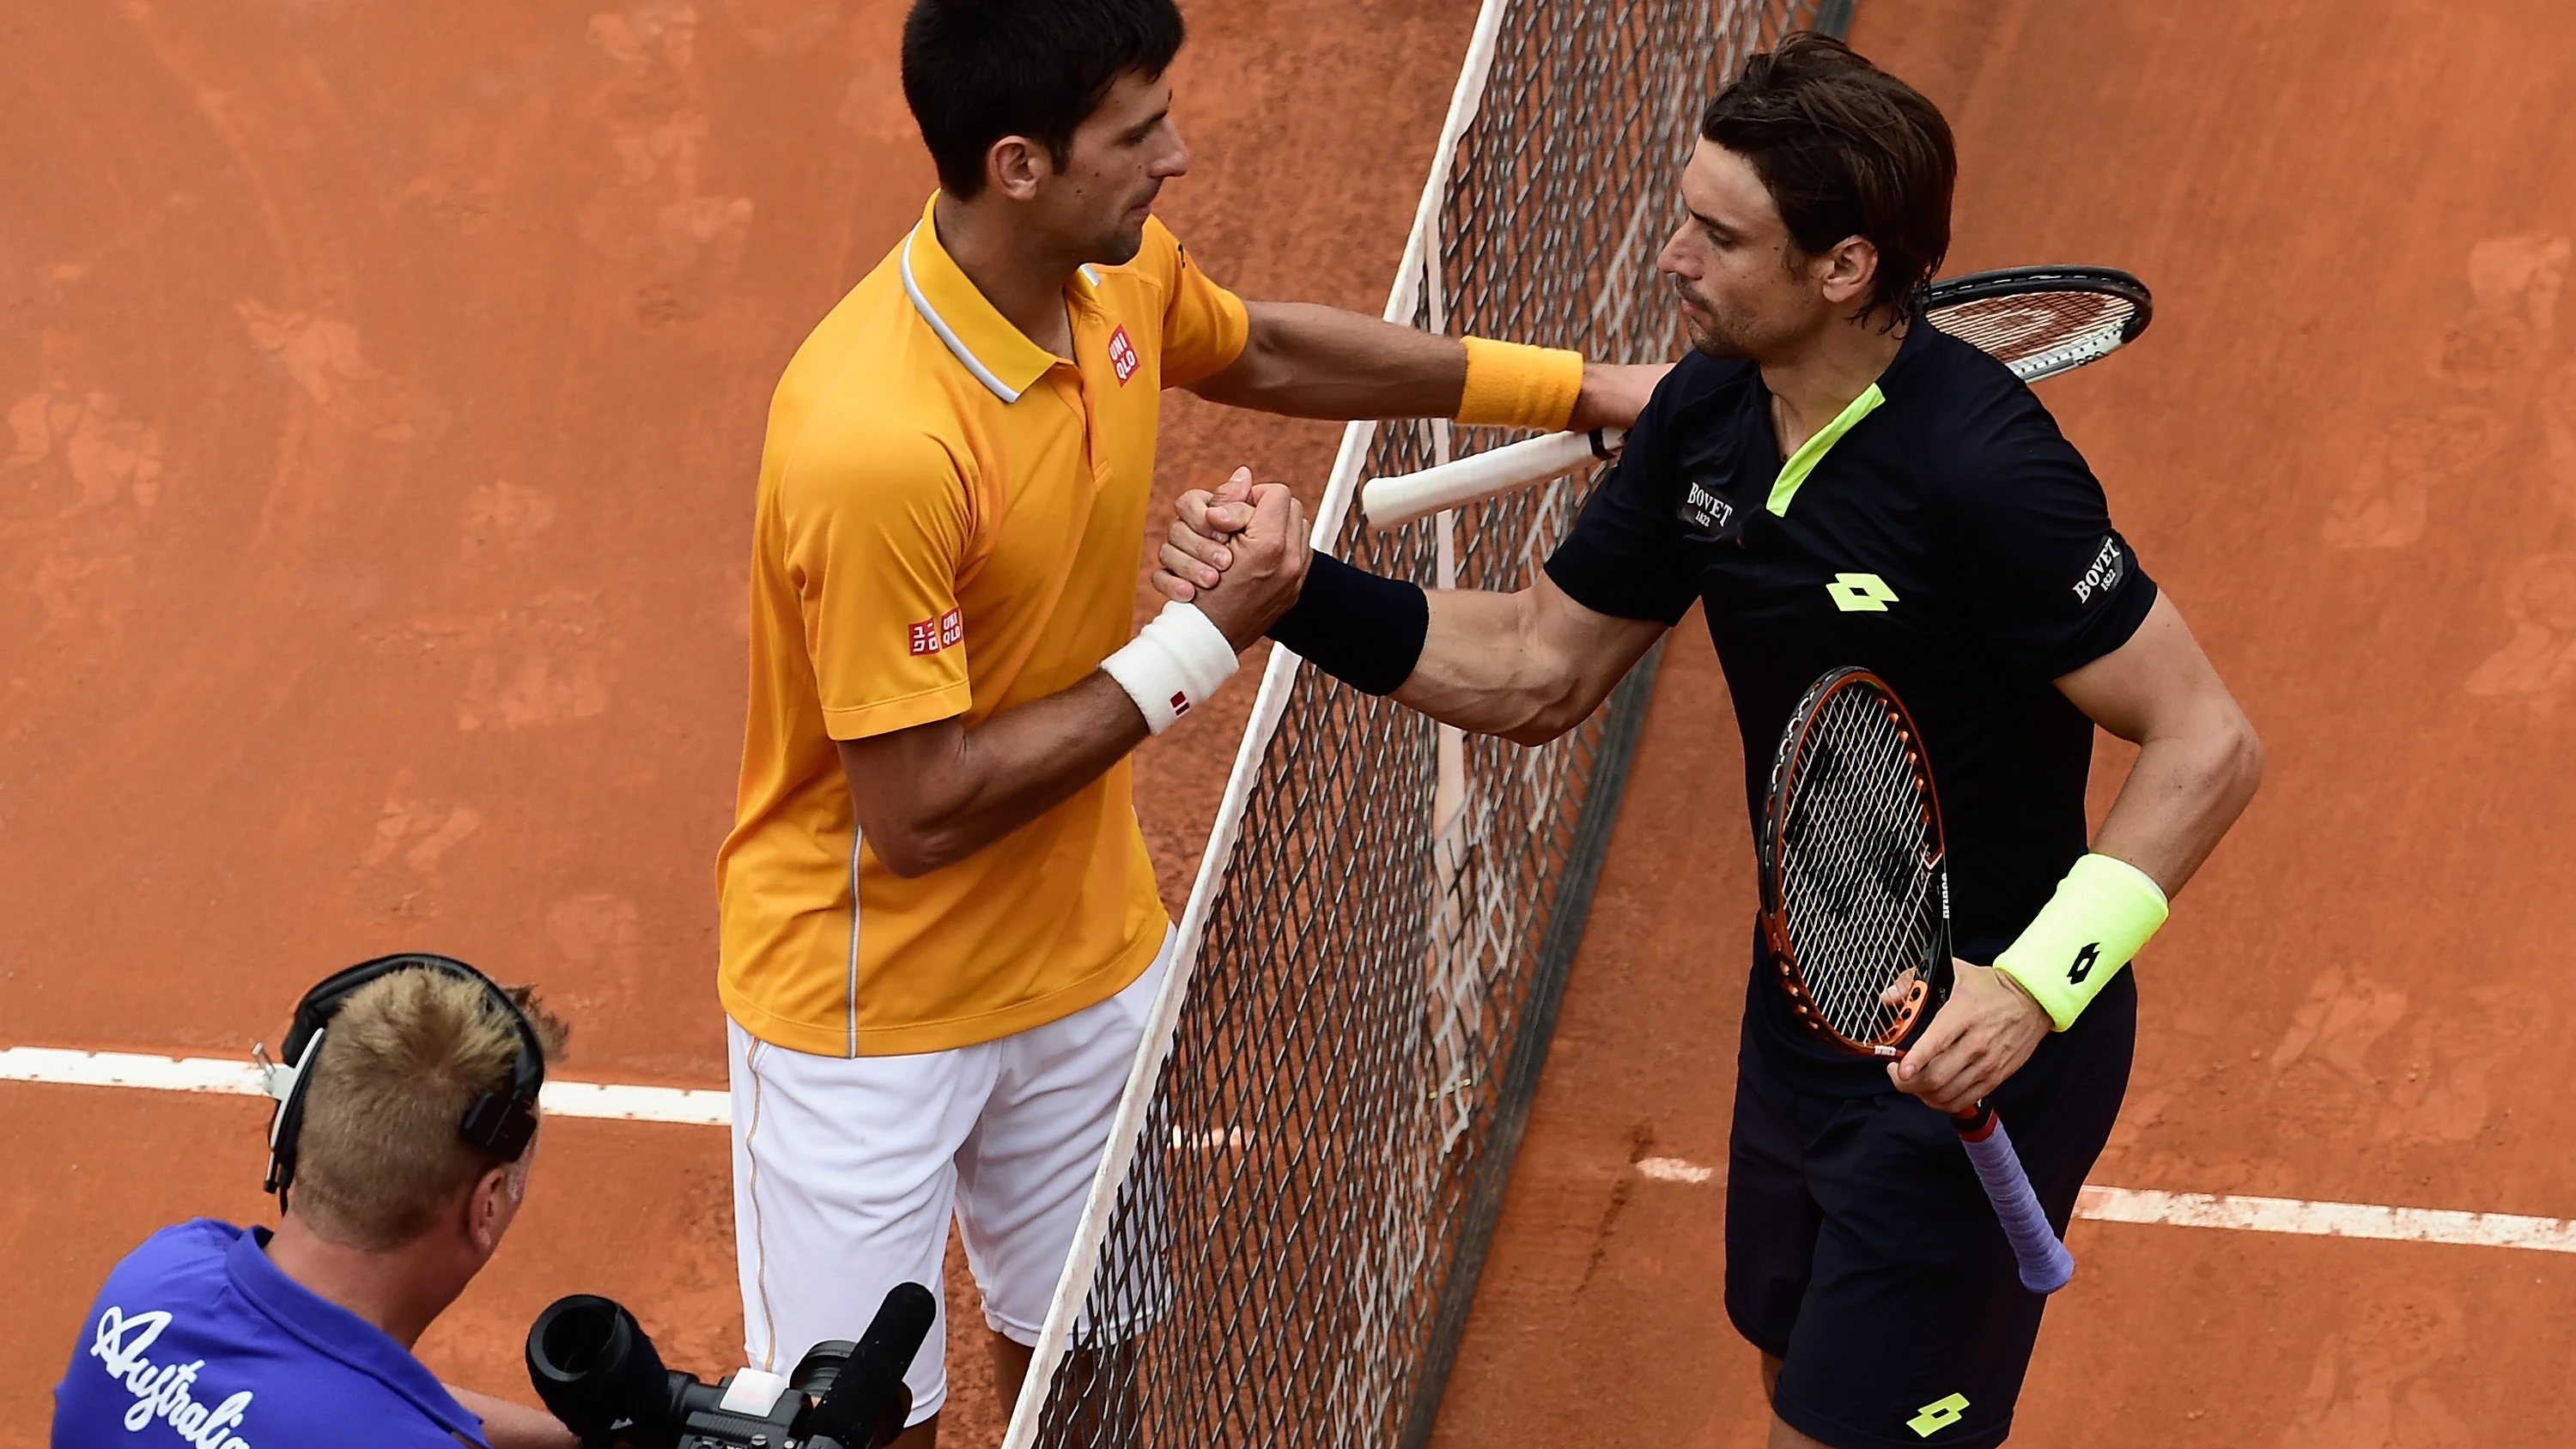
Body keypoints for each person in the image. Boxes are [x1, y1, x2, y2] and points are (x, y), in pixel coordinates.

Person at [1156, 33, 2263, 1449]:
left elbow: (2207, 741)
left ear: (1845, 268)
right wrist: (1298, 594)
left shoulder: (1984, 472)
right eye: (1686, 212)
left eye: (1719, 234)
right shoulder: (1707, 419)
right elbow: (1535, 665)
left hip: (1986, 1048)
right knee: (1795, 1361)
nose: (1674, 254)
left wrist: (2038, 986)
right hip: (1812, 1002)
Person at [711, 0, 1663, 1436]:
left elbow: (1264, 348)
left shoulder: (1116, 277)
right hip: (868, 1016)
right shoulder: (877, 442)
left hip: (1088, 959)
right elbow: (919, 814)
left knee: (1092, 1375)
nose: (1181, 154)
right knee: (858, 1426)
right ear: (1018, 164)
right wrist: (1201, 641)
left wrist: (1590, 390)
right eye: (1138, 132)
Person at [51, 955, 579, 1449]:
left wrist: (573, 1441)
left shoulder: (158, 1277)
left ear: (299, 1122)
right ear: (485, 1205)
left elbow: (325, 1394)